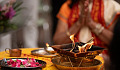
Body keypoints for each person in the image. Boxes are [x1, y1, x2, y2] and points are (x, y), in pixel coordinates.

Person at [53, 0, 120, 70]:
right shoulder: (68, 6)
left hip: (103, 61)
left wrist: (91, 23)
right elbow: (57, 41)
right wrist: (78, 23)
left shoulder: (111, 6)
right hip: (71, 61)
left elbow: (116, 43)